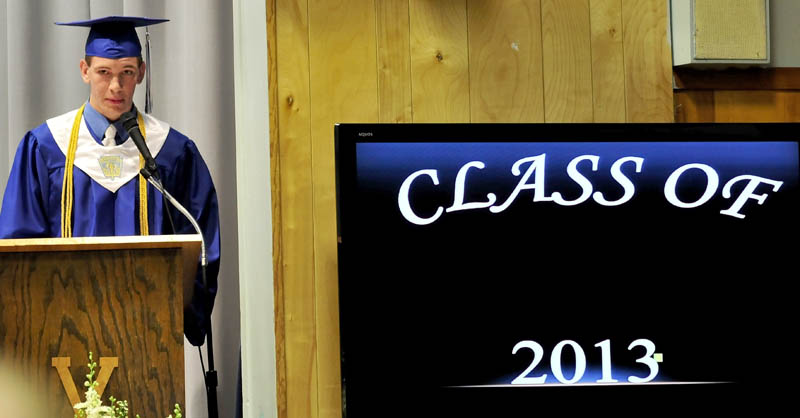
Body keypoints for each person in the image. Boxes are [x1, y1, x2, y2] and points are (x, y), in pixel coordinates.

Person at [0, 16, 220, 347]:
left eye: (126, 73)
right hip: (63, 332)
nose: (115, 86)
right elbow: (18, 245)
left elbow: (201, 240)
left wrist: (189, 312)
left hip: (149, 334)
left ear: (141, 73)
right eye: (104, 72)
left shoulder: (171, 151)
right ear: (85, 71)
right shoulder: (45, 147)